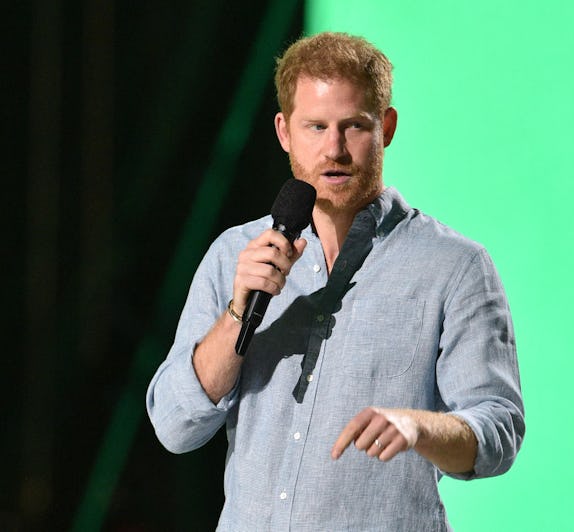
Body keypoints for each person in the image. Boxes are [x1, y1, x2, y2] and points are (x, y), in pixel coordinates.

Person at [146, 32, 524, 531]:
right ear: (284, 132)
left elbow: (498, 428)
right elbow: (175, 426)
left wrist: (419, 427)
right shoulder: (235, 256)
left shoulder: (453, 267)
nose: (334, 149)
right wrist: (238, 312)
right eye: (316, 126)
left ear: (386, 127)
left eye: (354, 126)